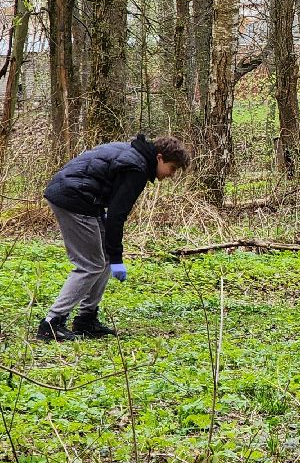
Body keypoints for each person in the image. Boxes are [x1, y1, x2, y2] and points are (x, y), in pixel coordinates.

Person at [38, 133, 192, 341]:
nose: (171, 175)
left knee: (105, 258)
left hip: (82, 197)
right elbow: (117, 216)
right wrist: (118, 258)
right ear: (159, 158)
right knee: (90, 265)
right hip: (73, 198)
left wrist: (113, 256)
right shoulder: (136, 168)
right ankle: (51, 323)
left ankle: (86, 320)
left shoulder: (134, 154)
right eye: (172, 168)